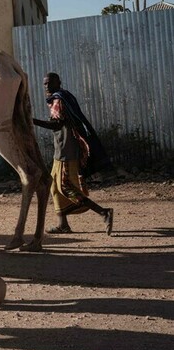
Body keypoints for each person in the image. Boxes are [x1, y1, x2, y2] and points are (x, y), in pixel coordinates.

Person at [33, 72, 114, 235]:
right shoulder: (64, 96)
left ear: (58, 83)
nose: (47, 86)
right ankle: (63, 225)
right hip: (61, 148)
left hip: (67, 149)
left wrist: (32, 121)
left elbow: (57, 125)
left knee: (65, 186)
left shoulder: (58, 100)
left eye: (50, 83)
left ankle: (103, 212)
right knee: (54, 186)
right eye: (45, 84)